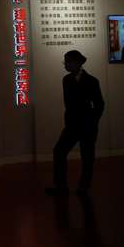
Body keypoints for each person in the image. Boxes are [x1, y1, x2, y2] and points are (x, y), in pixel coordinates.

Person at [46, 50, 104, 197]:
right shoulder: (66, 80)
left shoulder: (92, 81)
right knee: (59, 151)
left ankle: (84, 186)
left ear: (77, 63)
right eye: (65, 62)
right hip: (72, 125)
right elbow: (69, 104)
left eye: (67, 61)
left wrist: (92, 121)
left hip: (87, 125)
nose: (65, 64)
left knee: (87, 156)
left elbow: (99, 105)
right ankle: (61, 185)